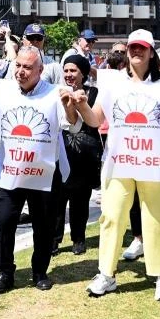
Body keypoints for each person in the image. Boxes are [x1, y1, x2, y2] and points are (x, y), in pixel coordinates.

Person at [76, 30, 160, 302]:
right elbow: (95, 120)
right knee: (111, 216)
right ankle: (106, 274)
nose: (136, 52)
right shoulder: (112, 83)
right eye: (132, 47)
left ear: (152, 52)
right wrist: (82, 104)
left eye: (142, 48)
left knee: (156, 219)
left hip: (154, 163)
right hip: (119, 162)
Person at [0, 46, 80, 295]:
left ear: (40, 70)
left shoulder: (55, 93)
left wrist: (70, 105)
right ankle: (5, 273)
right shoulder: (3, 88)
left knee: (44, 224)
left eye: (27, 67)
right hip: (9, 172)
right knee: (5, 220)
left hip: (45, 173)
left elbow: (71, 124)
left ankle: (40, 271)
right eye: (18, 65)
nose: (20, 71)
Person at [52, 54, 102, 255]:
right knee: (57, 197)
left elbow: (92, 118)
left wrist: (77, 102)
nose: (69, 75)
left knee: (80, 198)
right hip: (61, 148)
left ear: (83, 73)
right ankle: (54, 239)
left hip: (84, 152)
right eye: (66, 71)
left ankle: (78, 238)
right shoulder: (55, 92)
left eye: (73, 71)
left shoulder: (93, 92)